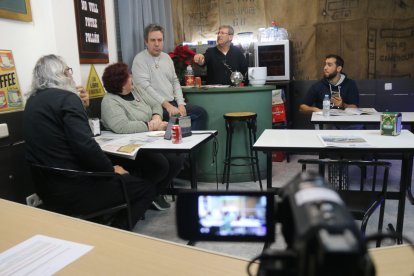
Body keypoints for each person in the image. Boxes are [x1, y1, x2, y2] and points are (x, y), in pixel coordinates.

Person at [23, 54, 156, 229]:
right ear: (61, 75)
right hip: (76, 187)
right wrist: (110, 170)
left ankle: (99, 222)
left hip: (46, 189)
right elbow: (84, 146)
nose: (71, 75)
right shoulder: (68, 99)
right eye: (68, 71)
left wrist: (82, 107)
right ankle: (116, 232)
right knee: (146, 188)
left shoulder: (32, 102)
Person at [101, 62, 184, 210]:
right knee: (160, 165)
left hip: (150, 138)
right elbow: (122, 126)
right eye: (128, 76)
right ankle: (145, 194)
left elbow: (155, 104)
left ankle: (153, 194)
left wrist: (157, 117)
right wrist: (150, 125)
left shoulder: (137, 90)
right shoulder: (109, 101)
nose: (131, 77)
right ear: (120, 82)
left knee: (178, 158)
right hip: (127, 146)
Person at [132, 23, 207, 131]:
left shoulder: (166, 58)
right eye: (153, 40)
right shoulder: (139, 60)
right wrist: (167, 105)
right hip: (156, 107)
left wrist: (181, 104)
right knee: (178, 121)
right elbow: (145, 88)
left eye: (160, 40)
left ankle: (190, 147)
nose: (157, 44)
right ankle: (183, 146)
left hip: (173, 103)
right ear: (146, 42)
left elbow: (175, 82)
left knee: (200, 113)